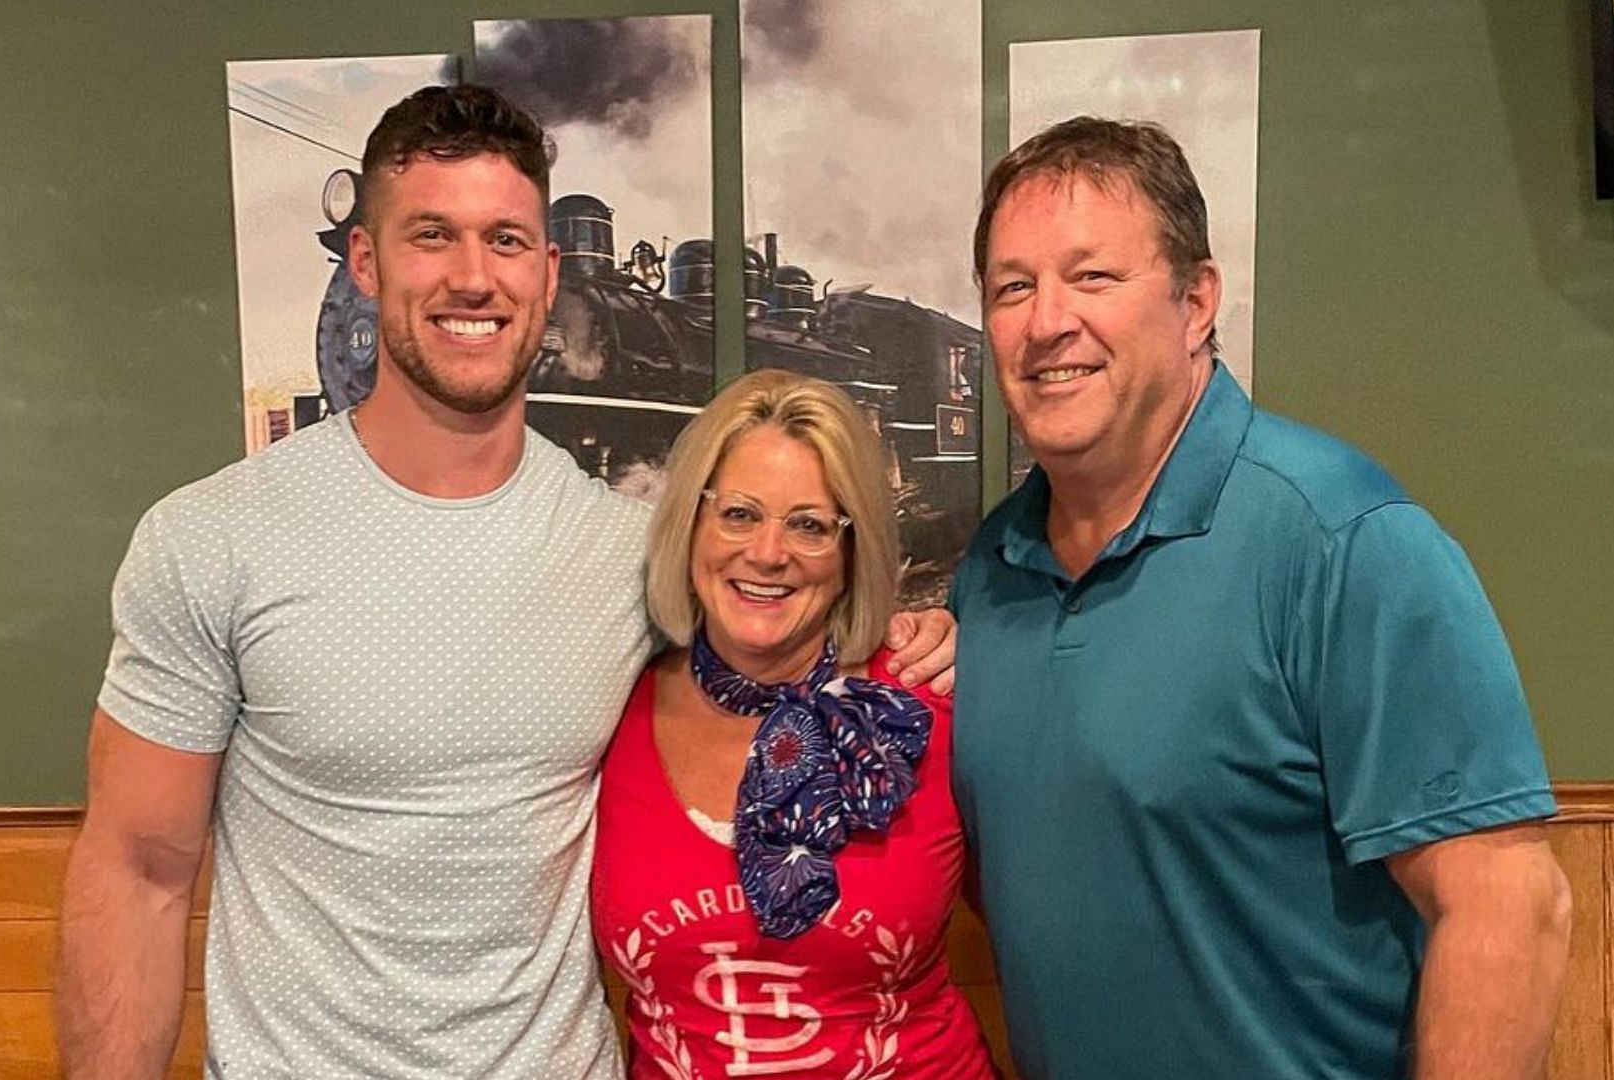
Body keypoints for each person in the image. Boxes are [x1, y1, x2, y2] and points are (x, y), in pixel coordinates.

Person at [54, 85, 956, 1080]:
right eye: (431, 234)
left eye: (507, 241)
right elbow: (136, 875)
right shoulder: (211, 539)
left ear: (550, 268)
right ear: (365, 260)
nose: (472, 278)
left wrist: (914, 636)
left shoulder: (631, 556)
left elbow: (786, 615)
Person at [950, 117, 1572, 1080]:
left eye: (1094, 277)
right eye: (1013, 287)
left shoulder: (1343, 538)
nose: (1046, 322)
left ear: (1196, 301)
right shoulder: (988, 571)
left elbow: (1508, 901)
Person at [592, 369, 995, 1079]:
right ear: (690, 526)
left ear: (850, 552)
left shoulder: (931, 704)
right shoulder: (605, 712)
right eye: (739, 514)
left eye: (809, 524)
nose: (769, 552)